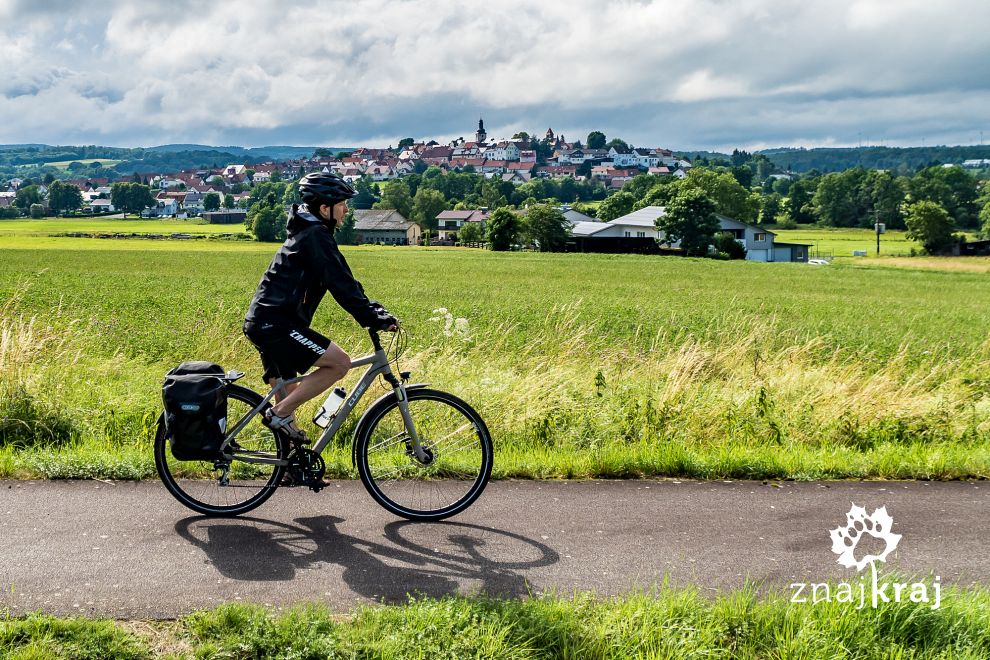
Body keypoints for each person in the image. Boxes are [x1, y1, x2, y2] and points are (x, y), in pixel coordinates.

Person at [243, 172, 398, 446]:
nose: (347, 209)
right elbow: (339, 284)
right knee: (340, 363)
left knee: (288, 394)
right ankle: (276, 414)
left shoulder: (312, 232)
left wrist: (372, 308)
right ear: (325, 208)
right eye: (342, 204)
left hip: (268, 322)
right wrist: (372, 318)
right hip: (277, 325)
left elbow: (345, 280)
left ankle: (291, 468)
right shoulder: (315, 236)